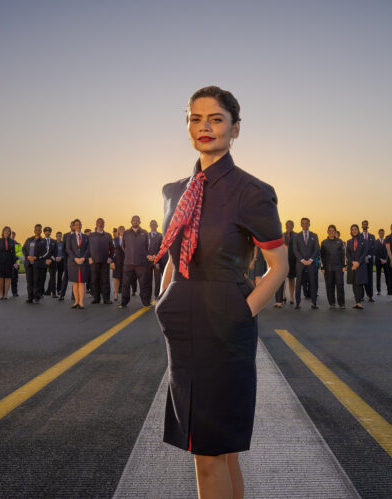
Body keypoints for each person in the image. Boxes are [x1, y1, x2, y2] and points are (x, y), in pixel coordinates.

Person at [153, 86, 287, 499]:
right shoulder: (173, 191)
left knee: (211, 453)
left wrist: (239, 312)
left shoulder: (252, 191)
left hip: (224, 323)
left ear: (235, 129)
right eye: (195, 118)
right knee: (220, 452)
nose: (204, 127)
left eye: (216, 119)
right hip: (183, 324)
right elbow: (177, 252)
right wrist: (165, 299)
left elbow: (278, 266)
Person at [120, 215, 152, 308]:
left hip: (141, 263)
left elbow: (147, 247)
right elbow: (124, 246)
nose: (135, 221)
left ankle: (146, 302)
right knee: (125, 284)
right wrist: (129, 254)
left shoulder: (144, 232)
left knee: (143, 284)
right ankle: (124, 303)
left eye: (137, 220)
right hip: (128, 263)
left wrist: (142, 255)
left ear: (139, 222)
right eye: (133, 220)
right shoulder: (126, 233)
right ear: (131, 221)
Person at [292, 217, 319, 309]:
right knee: (298, 283)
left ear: (309, 224)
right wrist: (302, 260)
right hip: (300, 263)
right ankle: (297, 303)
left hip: (311, 263)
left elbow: (316, 249)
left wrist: (311, 260)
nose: (305, 225)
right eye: (303, 223)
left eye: (306, 223)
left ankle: (314, 303)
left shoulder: (314, 235)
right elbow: (295, 250)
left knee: (313, 283)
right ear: (301, 224)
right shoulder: (296, 236)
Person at [89, 217, 115, 304]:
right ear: (96, 224)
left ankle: (106, 299)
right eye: (99, 222)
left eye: (102, 223)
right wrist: (89, 257)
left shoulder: (108, 235)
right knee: (95, 280)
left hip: (105, 261)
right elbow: (87, 248)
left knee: (105, 281)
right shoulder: (91, 235)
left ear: (104, 224)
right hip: (94, 261)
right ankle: (96, 298)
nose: (100, 224)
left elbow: (112, 248)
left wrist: (110, 258)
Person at [65, 219, 90, 309]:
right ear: (73, 226)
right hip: (73, 262)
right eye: (76, 225)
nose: (78, 226)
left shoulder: (86, 237)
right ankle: (76, 301)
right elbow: (68, 249)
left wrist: (83, 258)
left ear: (81, 225)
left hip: (83, 261)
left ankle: (81, 302)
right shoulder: (69, 237)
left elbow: (88, 249)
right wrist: (75, 258)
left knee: (82, 282)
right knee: (75, 282)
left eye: (79, 224)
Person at [320, 224, 345, 308]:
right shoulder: (323, 243)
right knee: (329, 285)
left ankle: (341, 303)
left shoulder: (340, 242)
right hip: (328, 268)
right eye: (330, 231)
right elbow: (321, 256)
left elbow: (343, 254)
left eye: (333, 231)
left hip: (338, 267)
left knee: (340, 284)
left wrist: (344, 266)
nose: (331, 232)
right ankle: (331, 303)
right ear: (327, 232)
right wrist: (322, 267)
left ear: (335, 232)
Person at [346, 224, 369, 309]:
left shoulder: (364, 241)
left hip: (360, 265)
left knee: (359, 283)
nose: (354, 231)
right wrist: (353, 262)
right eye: (352, 229)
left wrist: (358, 262)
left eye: (355, 229)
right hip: (352, 265)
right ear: (351, 231)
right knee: (354, 283)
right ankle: (357, 302)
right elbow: (347, 253)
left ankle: (359, 301)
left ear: (358, 230)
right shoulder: (349, 242)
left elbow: (364, 253)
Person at [0, 226, 18, 300]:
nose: (6, 232)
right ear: (3, 232)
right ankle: (1, 294)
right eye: (5, 231)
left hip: (9, 261)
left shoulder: (12, 242)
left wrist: (15, 262)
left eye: (8, 231)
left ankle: (6, 295)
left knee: (8, 278)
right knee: (1, 278)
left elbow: (14, 253)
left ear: (9, 233)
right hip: (0, 261)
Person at [147, 220, 167, 300]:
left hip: (157, 261)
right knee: (148, 279)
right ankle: (148, 296)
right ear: (150, 226)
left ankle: (156, 296)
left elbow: (162, 248)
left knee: (157, 279)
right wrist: (148, 256)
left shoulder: (161, 236)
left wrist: (157, 257)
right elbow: (144, 247)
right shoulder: (146, 235)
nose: (153, 226)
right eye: (151, 224)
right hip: (148, 261)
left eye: (154, 224)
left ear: (157, 226)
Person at [360, 220, 375, 302]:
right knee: (361, 278)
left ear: (368, 225)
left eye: (366, 224)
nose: (365, 225)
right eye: (363, 224)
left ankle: (370, 296)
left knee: (369, 278)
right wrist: (363, 257)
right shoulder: (359, 236)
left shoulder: (372, 237)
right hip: (361, 261)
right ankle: (361, 296)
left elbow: (374, 248)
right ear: (362, 226)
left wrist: (368, 256)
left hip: (369, 261)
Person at [374, 228, 389, 296]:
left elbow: (388, 251)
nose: (381, 234)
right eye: (380, 233)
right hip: (378, 261)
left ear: (384, 234)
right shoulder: (376, 242)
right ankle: (378, 290)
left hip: (386, 261)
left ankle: (389, 290)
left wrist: (386, 259)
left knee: (387, 276)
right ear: (378, 234)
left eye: (382, 233)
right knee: (378, 276)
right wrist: (380, 259)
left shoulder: (387, 241)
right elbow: (376, 252)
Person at [112, 226, 125, 300]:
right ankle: (116, 294)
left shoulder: (127, 239)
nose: (121, 230)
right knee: (116, 279)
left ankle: (124, 295)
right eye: (120, 229)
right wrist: (112, 262)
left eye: (123, 229)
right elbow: (112, 252)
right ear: (118, 231)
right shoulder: (114, 240)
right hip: (117, 261)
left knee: (125, 279)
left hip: (126, 261)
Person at [53, 230, 67, 300]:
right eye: (57, 236)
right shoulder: (54, 243)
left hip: (61, 261)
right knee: (53, 277)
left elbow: (65, 253)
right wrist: (55, 258)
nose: (59, 237)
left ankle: (59, 290)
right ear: (56, 236)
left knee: (59, 277)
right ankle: (52, 290)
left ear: (61, 237)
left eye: (60, 236)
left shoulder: (63, 244)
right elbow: (51, 252)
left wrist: (61, 257)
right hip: (55, 261)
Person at [11, 231, 21, 297]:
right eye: (11, 235)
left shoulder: (18, 244)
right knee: (5, 279)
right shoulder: (5, 243)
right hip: (8, 264)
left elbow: (19, 254)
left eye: (13, 235)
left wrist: (15, 263)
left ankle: (15, 292)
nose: (12, 236)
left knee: (14, 279)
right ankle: (3, 293)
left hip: (16, 264)